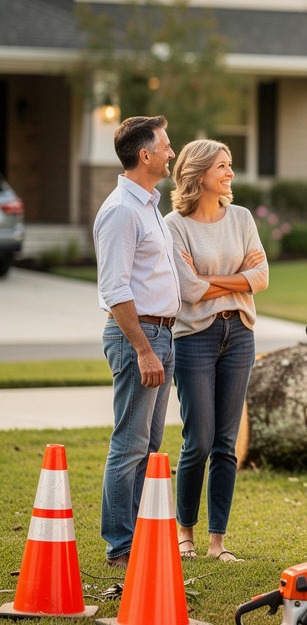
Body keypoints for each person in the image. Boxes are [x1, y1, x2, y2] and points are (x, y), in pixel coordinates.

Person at [164, 140, 268, 563]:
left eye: (230, 165)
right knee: (199, 440)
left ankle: (217, 542)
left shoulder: (241, 218)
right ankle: (184, 533)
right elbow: (187, 291)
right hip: (195, 338)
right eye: (222, 166)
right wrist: (236, 278)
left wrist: (215, 280)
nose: (230, 173)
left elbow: (260, 277)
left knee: (226, 443)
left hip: (239, 333)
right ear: (199, 174)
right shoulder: (174, 225)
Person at [93, 115, 181, 568]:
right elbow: (116, 289)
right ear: (144, 155)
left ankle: (139, 538)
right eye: (165, 146)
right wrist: (144, 349)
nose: (171, 152)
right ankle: (121, 547)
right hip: (138, 336)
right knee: (129, 443)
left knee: (148, 446)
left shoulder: (148, 204)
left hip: (161, 333)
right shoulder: (121, 210)